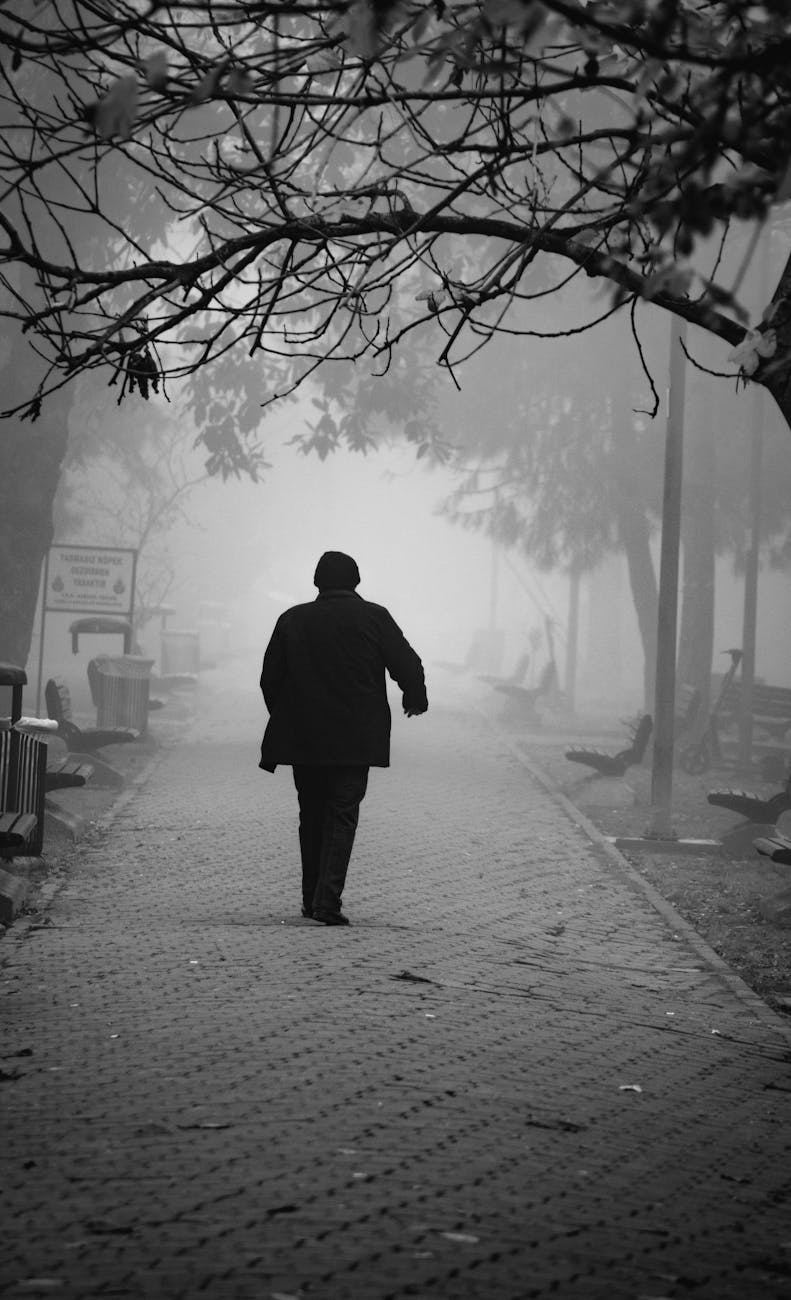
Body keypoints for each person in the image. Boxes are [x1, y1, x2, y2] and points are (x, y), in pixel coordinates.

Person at [259, 551, 428, 926]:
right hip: (355, 739)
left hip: (304, 739)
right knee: (341, 815)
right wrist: (414, 698)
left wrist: (288, 716)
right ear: (356, 582)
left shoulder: (292, 620)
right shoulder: (374, 618)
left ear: (317, 582)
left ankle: (311, 899)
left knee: (312, 814)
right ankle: (327, 903)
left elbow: (270, 678)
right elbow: (407, 662)